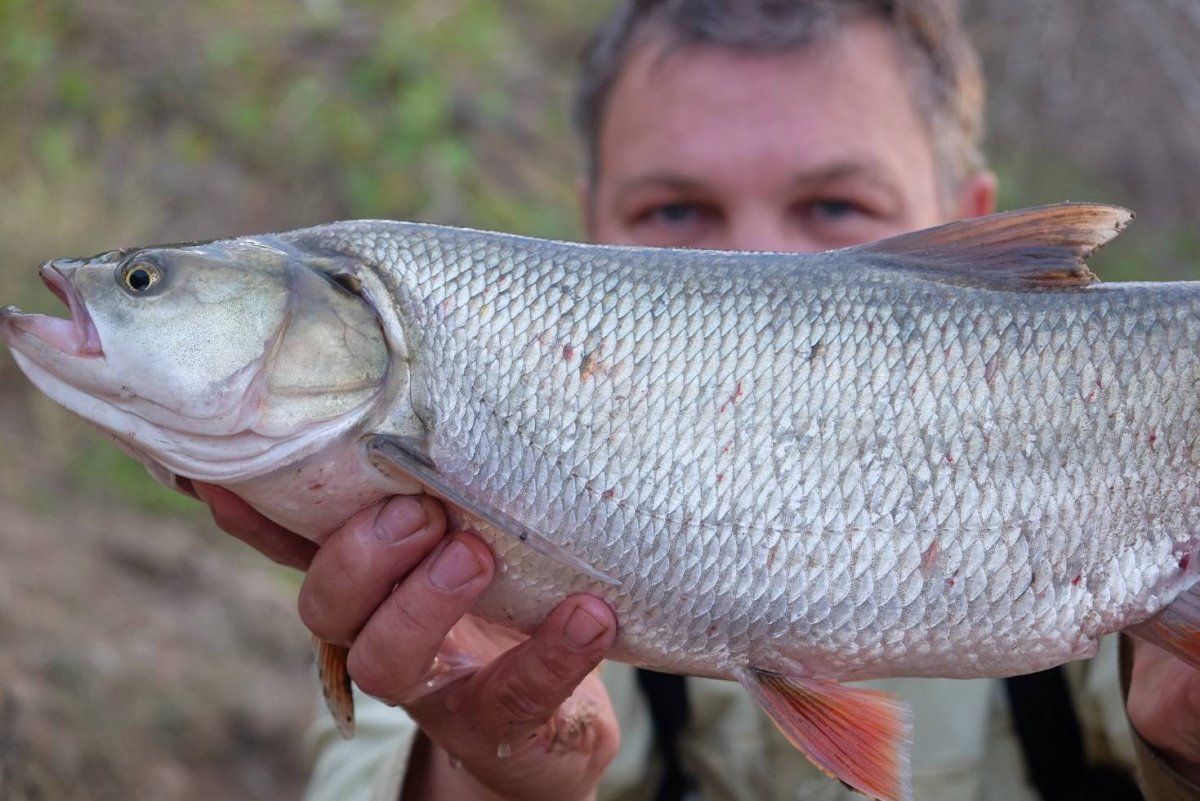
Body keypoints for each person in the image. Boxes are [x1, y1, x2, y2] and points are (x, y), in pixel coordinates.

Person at [193, 0, 1200, 798]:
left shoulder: (1103, 643)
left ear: (976, 224)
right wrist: (494, 781)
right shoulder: (452, 552)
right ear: (579, 236)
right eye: (675, 210)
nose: (749, 263)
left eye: (836, 208)